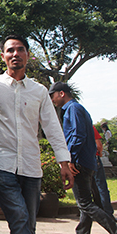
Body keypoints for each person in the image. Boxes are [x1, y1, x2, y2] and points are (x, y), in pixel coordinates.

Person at [0, 35, 73, 234]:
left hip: (31, 166)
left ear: (28, 55)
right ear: (3, 56)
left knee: (28, 223)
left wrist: (63, 162)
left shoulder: (38, 91)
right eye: (10, 50)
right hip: (0, 164)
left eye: (20, 49)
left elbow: (52, 127)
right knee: (20, 218)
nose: (16, 54)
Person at [50, 82, 117, 234]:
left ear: (61, 93)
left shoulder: (73, 109)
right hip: (88, 162)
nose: (52, 100)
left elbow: (78, 135)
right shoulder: (77, 109)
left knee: (85, 203)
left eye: (52, 95)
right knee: (87, 204)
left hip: (80, 163)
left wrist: (70, 159)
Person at [93, 125, 114, 216]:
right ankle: (107, 212)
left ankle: (92, 212)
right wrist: (100, 154)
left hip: (81, 160)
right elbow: (99, 145)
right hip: (94, 158)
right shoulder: (90, 127)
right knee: (101, 186)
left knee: (88, 188)